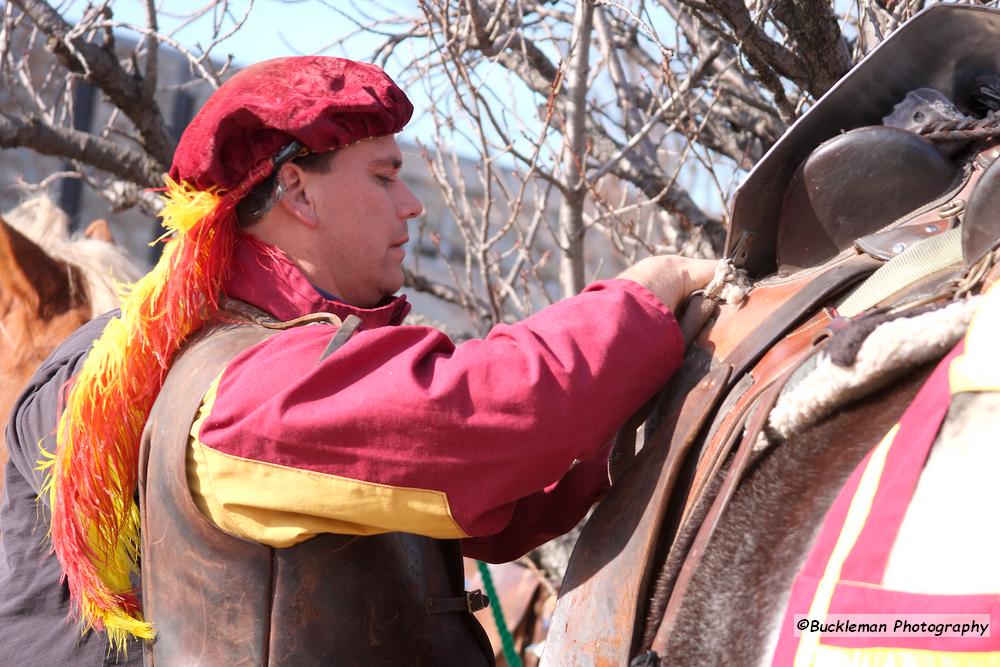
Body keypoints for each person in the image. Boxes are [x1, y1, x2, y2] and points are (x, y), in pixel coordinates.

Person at [0, 56, 715, 665]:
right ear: (297, 190)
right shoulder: (246, 385)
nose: (411, 207)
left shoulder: (275, 354)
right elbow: (493, 419)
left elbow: (516, 496)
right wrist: (643, 297)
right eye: (384, 177)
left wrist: (657, 397)